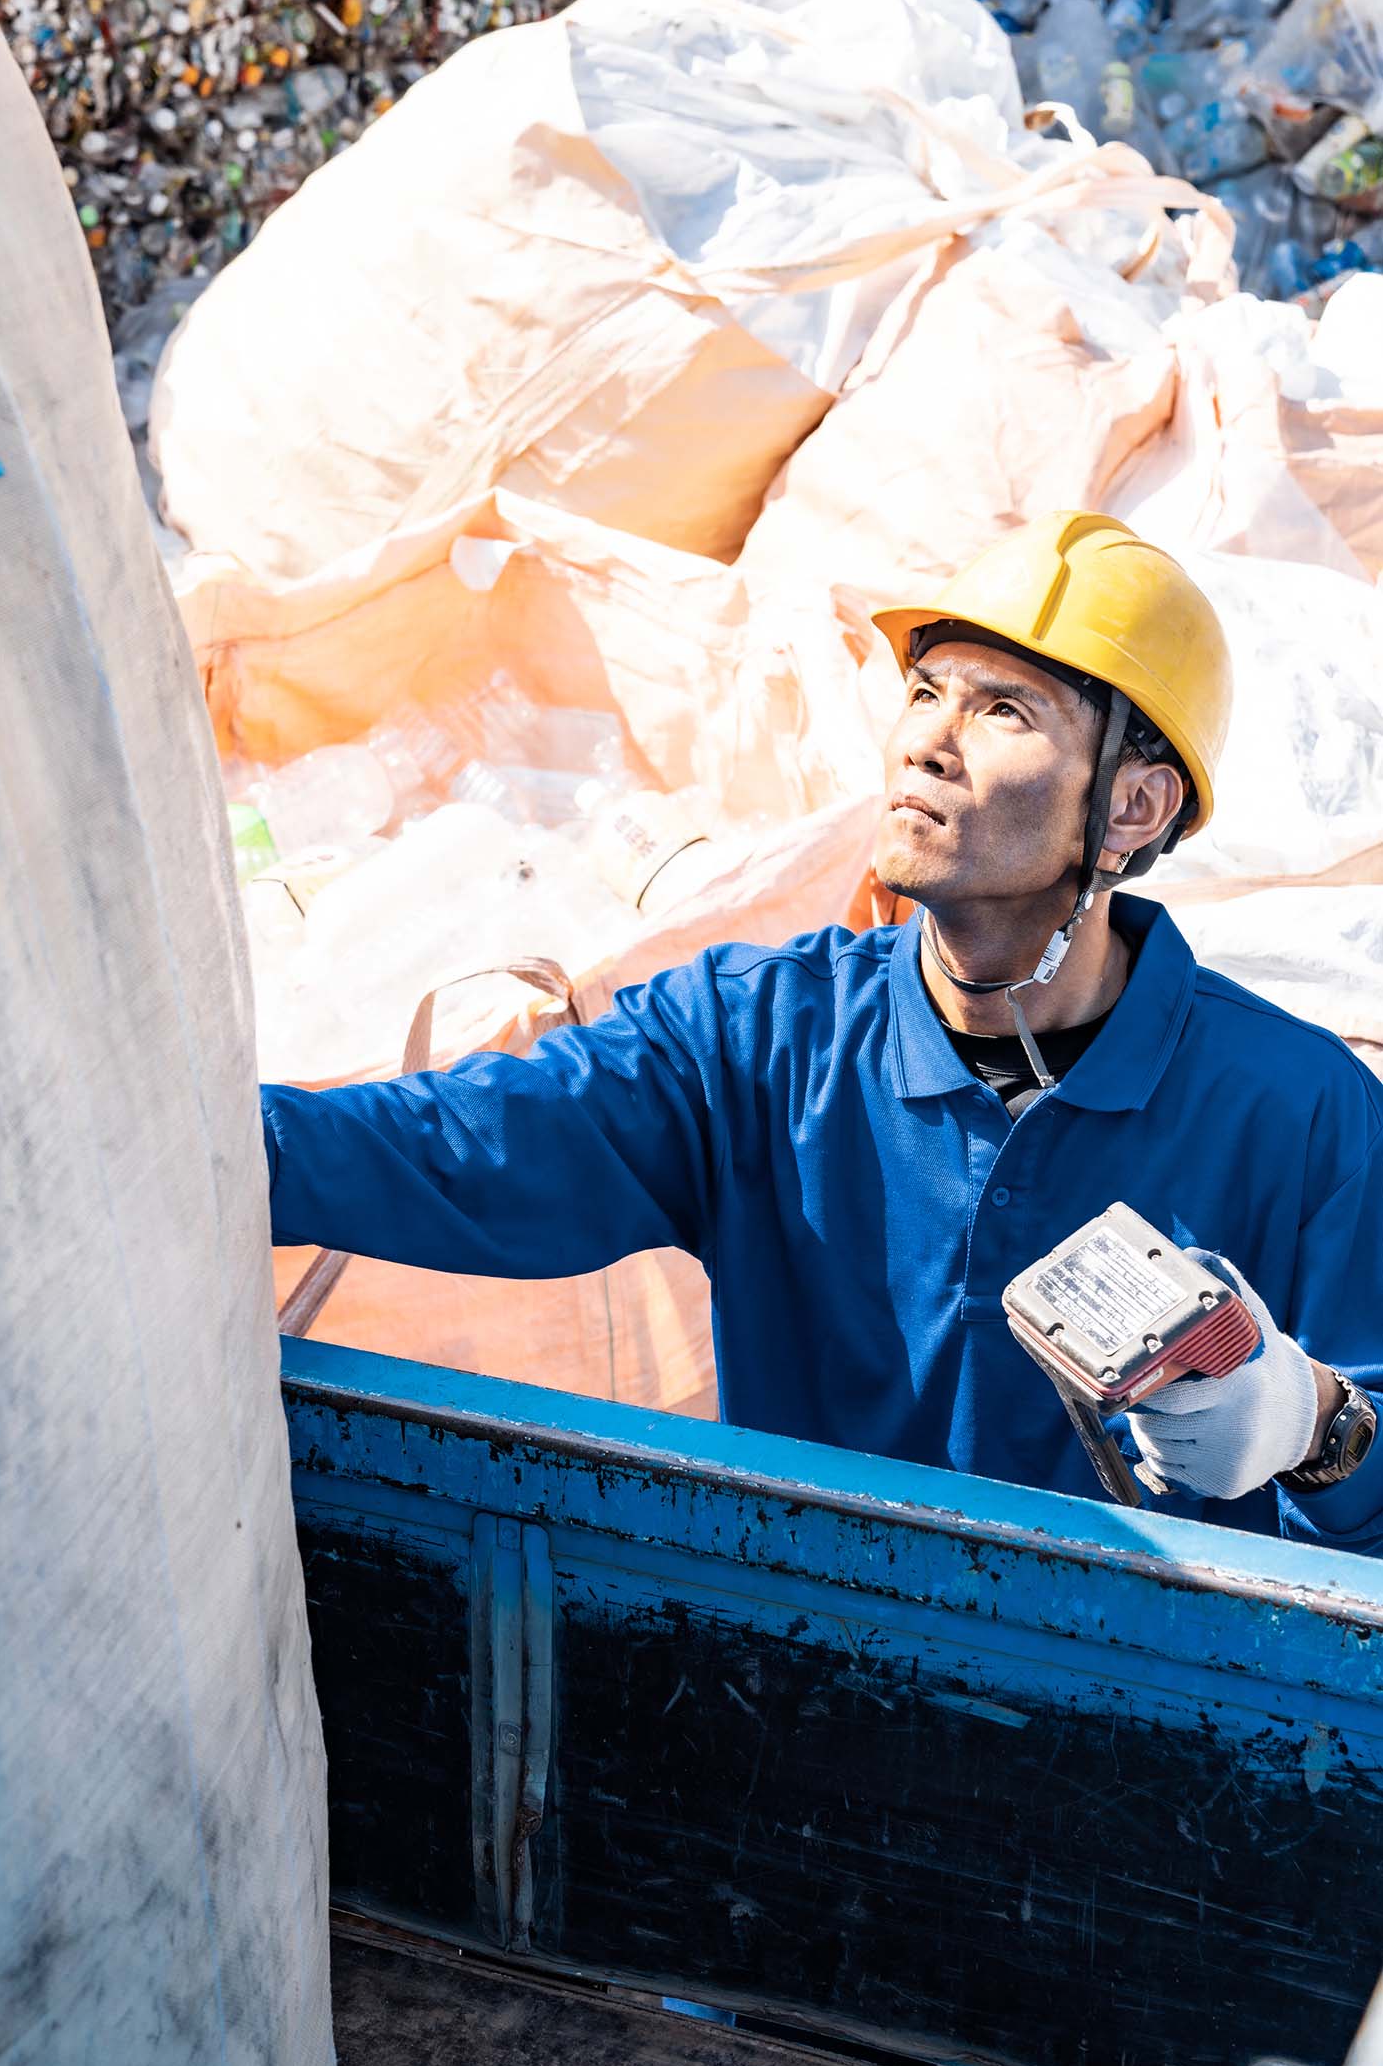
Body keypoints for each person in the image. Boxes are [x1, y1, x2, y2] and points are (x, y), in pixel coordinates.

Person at [263, 512, 1383, 1551]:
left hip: (1158, 1724)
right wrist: (194, 1142)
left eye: (1003, 710)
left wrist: (1313, 1426)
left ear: (1131, 810)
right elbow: (455, 1149)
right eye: (926, 691)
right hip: (799, 1685)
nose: (928, 743)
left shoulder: (1298, 1112)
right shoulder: (753, 1039)